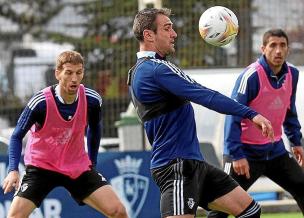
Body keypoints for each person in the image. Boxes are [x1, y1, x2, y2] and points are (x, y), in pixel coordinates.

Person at [130, 8, 275, 218]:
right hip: (175, 167)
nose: (174, 34)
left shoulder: (144, 70)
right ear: (149, 35)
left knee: (249, 210)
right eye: (167, 28)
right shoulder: (155, 69)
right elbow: (205, 95)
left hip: (193, 163)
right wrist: (251, 114)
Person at [207, 29, 304, 218]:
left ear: (288, 49)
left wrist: (296, 142)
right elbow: (232, 114)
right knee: (223, 205)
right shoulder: (251, 76)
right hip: (244, 154)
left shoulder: (292, 74)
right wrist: (236, 154)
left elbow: (289, 111)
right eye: (273, 45)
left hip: (275, 151)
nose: (278, 51)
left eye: (282, 45)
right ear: (263, 49)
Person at [2, 51, 128, 218]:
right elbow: (17, 136)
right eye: (68, 72)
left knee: (118, 211)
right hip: (42, 166)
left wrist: (92, 163)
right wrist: (13, 170)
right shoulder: (40, 102)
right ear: (58, 74)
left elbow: (95, 130)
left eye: (79, 72)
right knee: (14, 216)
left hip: (76, 166)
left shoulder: (92, 100)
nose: (74, 78)